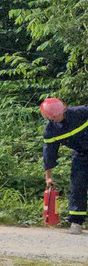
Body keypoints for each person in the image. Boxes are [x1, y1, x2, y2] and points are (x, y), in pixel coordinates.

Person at [42, 97, 88, 234]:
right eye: (52, 117)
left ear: (64, 109)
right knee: (77, 186)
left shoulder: (81, 112)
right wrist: (48, 177)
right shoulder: (51, 131)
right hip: (81, 155)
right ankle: (76, 222)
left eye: (58, 115)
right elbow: (49, 154)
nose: (56, 118)